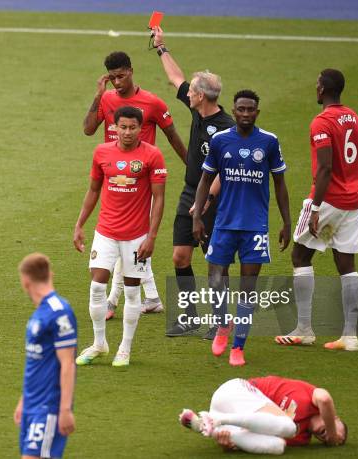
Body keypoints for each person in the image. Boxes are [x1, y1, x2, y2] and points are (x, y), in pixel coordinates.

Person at [83, 51, 186, 320]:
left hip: (142, 181)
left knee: (125, 242)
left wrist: (193, 167)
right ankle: (151, 297)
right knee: (124, 244)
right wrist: (98, 95)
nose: (117, 82)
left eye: (121, 76)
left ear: (131, 70)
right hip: (113, 179)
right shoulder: (106, 99)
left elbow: (173, 136)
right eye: (113, 77)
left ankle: (112, 301)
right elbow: (88, 129)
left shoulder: (152, 102)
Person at [192, 90, 291, 366]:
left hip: (255, 227)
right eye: (241, 109)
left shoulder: (269, 142)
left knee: (248, 288)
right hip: (224, 224)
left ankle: (238, 347)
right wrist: (197, 216)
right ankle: (224, 324)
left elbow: (280, 184)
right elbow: (204, 180)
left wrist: (286, 221)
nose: (245, 114)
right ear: (233, 111)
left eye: (250, 110)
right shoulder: (220, 141)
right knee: (215, 280)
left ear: (257, 112)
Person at [151, 27, 236, 338]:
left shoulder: (227, 129)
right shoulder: (199, 110)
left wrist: (204, 205)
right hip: (191, 193)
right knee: (180, 256)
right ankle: (188, 318)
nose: (185, 93)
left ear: (201, 96)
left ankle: (220, 321)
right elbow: (176, 78)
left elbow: (226, 176)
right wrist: (162, 48)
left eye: (191, 92)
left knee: (215, 262)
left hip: (214, 199)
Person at [275, 69, 358, 352]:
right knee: (346, 265)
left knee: (300, 255)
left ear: (322, 89)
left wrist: (315, 208)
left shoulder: (322, 122)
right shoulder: (355, 118)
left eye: (316, 85)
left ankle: (304, 329)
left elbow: (325, 168)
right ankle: (350, 336)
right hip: (354, 201)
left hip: (328, 201)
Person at [74, 106, 167, 367]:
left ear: (141, 128)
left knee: (132, 291)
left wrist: (152, 237)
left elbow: (159, 198)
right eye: (122, 127)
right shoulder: (102, 152)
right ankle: (99, 343)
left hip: (136, 236)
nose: (127, 132)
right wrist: (79, 224)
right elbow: (93, 190)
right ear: (114, 128)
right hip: (105, 232)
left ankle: (124, 348)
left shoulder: (152, 155)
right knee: (96, 286)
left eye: (132, 127)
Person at [179, 376, 347, 455]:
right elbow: (325, 399)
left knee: (278, 446)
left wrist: (229, 443)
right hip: (234, 391)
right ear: (335, 418)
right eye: (339, 433)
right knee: (288, 427)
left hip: (230, 416)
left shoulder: (302, 439)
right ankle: (217, 420)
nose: (328, 438)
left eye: (326, 441)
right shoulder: (312, 396)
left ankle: (204, 425)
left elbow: (255, 432)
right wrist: (333, 437)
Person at [14, 253, 77, 459]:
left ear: (25, 281)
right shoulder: (39, 313)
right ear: (50, 274)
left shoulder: (59, 313)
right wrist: (24, 401)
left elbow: (68, 363)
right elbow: (36, 362)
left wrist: (65, 409)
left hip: (48, 407)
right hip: (32, 405)